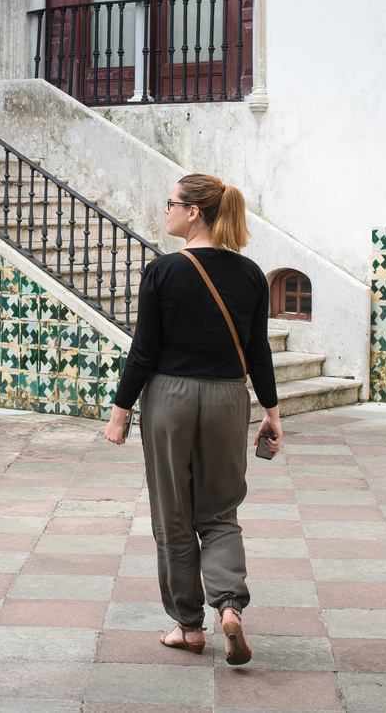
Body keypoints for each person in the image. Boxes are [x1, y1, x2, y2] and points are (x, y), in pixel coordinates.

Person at [103, 174, 281, 666]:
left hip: (170, 399)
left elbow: (144, 351)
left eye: (171, 204)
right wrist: (272, 413)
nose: (167, 211)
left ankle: (188, 626)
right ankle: (230, 606)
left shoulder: (163, 271)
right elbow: (258, 352)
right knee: (220, 512)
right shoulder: (251, 274)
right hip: (228, 399)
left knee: (173, 515)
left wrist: (120, 411)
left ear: (194, 212)